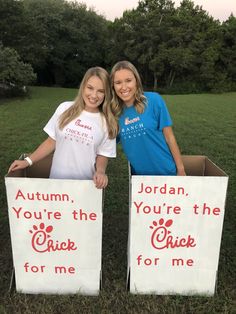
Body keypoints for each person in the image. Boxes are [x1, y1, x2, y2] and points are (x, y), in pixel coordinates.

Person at [8, 67, 118, 188]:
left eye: (100, 91)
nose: (94, 95)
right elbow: (51, 141)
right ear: (83, 87)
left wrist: (101, 171)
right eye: (90, 88)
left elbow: (103, 154)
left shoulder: (108, 122)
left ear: (106, 94)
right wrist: (27, 161)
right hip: (56, 182)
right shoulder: (65, 108)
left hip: (85, 186)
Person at [110, 60, 186, 176]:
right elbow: (105, 143)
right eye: (118, 82)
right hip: (140, 178)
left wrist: (180, 169)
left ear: (136, 81)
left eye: (128, 81)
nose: (124, 87)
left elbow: (169, 137)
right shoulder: (114, 113)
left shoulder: (154, 100)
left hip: (167, 171)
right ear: (113, 86)